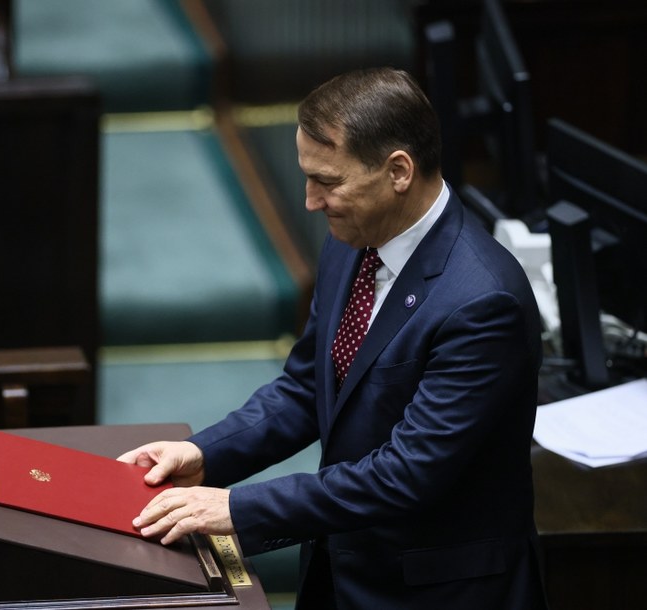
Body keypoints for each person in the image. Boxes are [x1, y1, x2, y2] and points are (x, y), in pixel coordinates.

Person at [118, 67, 548, 609]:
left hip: (436, 591)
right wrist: (205, 453)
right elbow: (307, 388)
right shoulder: (352, 243)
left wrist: (237, 509)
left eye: (328, 181)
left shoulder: (483, 301)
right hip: (339, 569)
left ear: (397, 171)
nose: (310, 201)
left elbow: (406, 473)